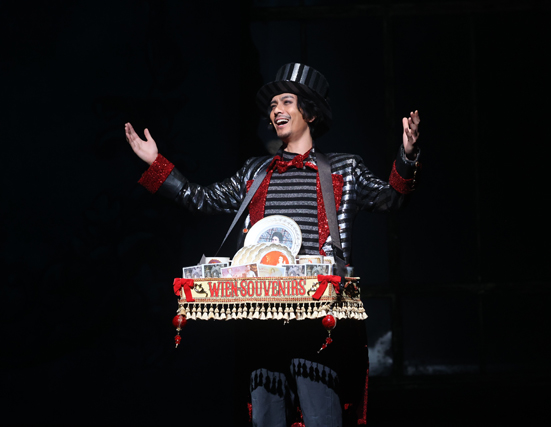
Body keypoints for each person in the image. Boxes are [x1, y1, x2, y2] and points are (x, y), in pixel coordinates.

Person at [125, 63, 420, 427]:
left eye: (286, 102)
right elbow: (200, 199)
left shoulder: (345, 168)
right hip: (262, 319)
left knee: (322, 417)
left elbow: (393, 199)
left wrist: (407, 156)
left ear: (310, 112)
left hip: (318, 322)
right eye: (273, 105)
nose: (276, 109)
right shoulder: (255, 171)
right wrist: (156, 163)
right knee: (266, 418)